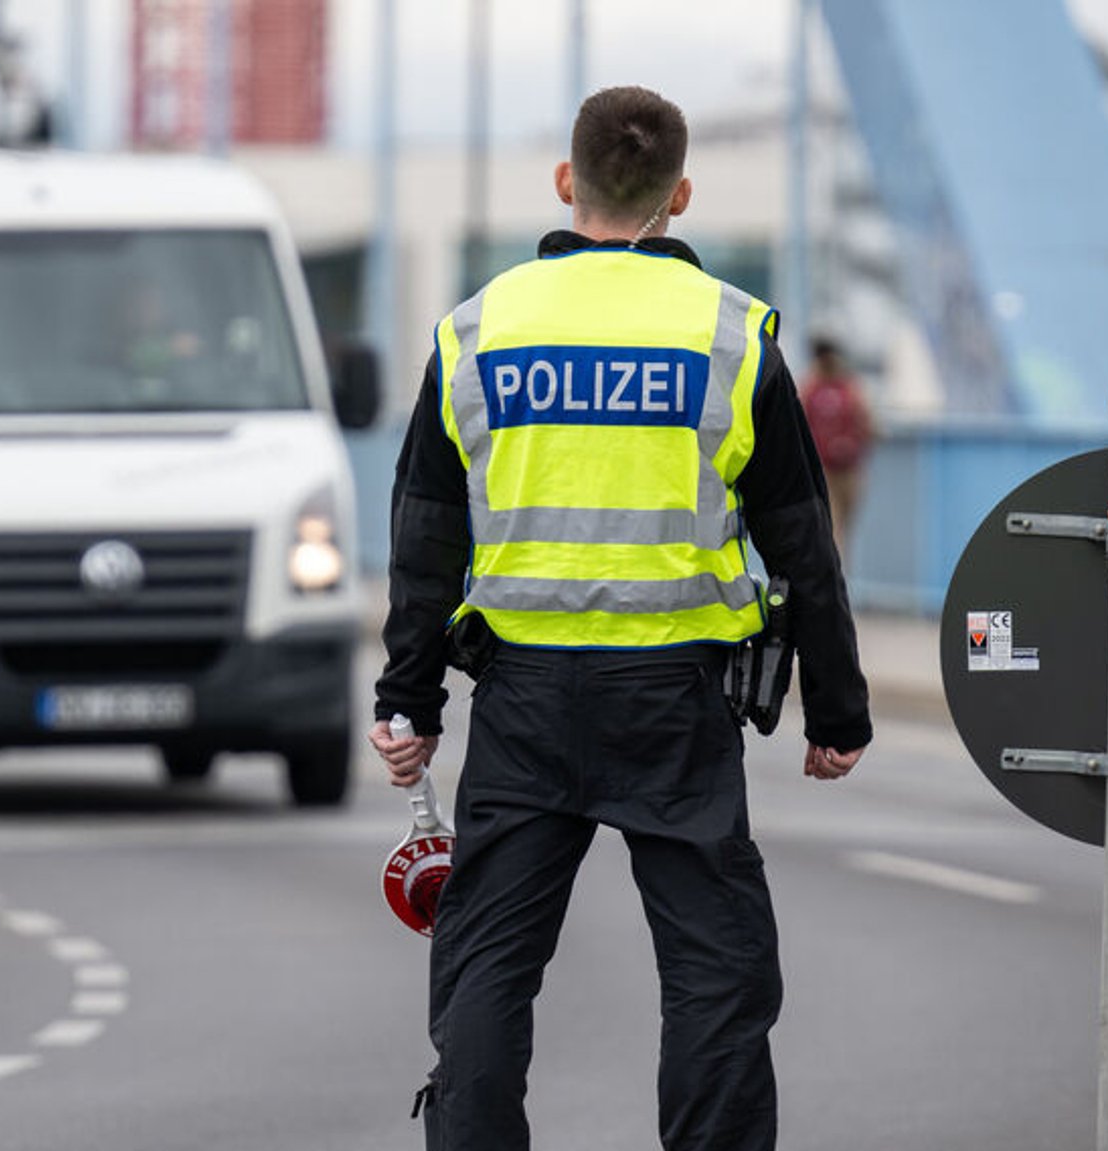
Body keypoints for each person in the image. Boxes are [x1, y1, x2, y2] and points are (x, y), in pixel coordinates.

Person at [369, 86, 872, 1151]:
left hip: (521, 702)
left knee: (486, 968)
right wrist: (837, 704)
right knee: (713, 973)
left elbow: (422, 537)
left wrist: (407, 698)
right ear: (678, 197)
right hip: (675, 706)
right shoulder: (730, 336)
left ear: (566, 183)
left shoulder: (476, 331)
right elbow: (798, 538)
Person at [798, 337, 874, 557]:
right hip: (835, 469)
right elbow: (868, 425)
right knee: (837, 528)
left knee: (837, 527)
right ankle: (837, 580)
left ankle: (836, 577)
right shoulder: (848, 388)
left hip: (837, 467)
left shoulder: (813, 387)